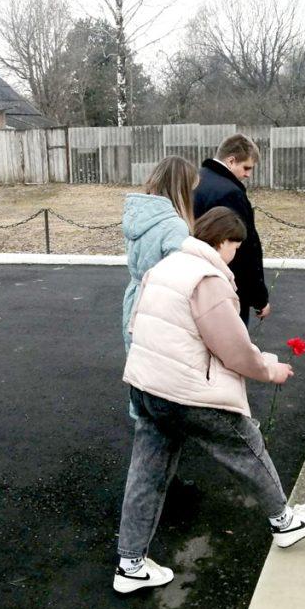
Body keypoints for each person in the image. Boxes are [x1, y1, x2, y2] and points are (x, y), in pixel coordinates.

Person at [113, 207, 305, 594]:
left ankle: (130, 564)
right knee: (246, 445)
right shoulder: (207, 278)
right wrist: (270, 370)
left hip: (147, 386)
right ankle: (285, 522)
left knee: (147, 472)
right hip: (186, 392)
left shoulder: (164, 267)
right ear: (224, 241)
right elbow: (234, 350)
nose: (235, 254)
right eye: (236, 246)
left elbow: (136, 325)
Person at [121, 156, 198, 418]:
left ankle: (141, 414)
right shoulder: (174, 226)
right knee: (163, 367)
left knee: (138, 360)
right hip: (160, 302)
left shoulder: (135, 218)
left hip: (134, 297)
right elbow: (178, 273)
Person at [193, 134, 270, 325]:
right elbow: (244, 248)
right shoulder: (229, 193)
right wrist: (259, 297)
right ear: (231, 160)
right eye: (246, 168)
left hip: (197, 279)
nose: (248, 175)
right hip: (226, 286)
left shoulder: (196, 181)